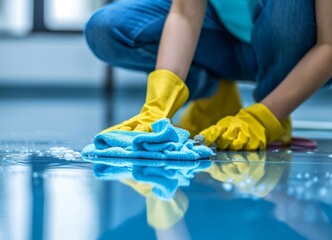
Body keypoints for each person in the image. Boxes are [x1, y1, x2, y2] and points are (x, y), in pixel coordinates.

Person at [85, 0, 332, 150]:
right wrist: (157, 107)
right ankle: (214, 91)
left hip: (298, 51)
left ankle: (275, 102)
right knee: (108, 28)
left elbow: (328, 45)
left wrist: (264, 118)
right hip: (222, 41)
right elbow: (184, 15)